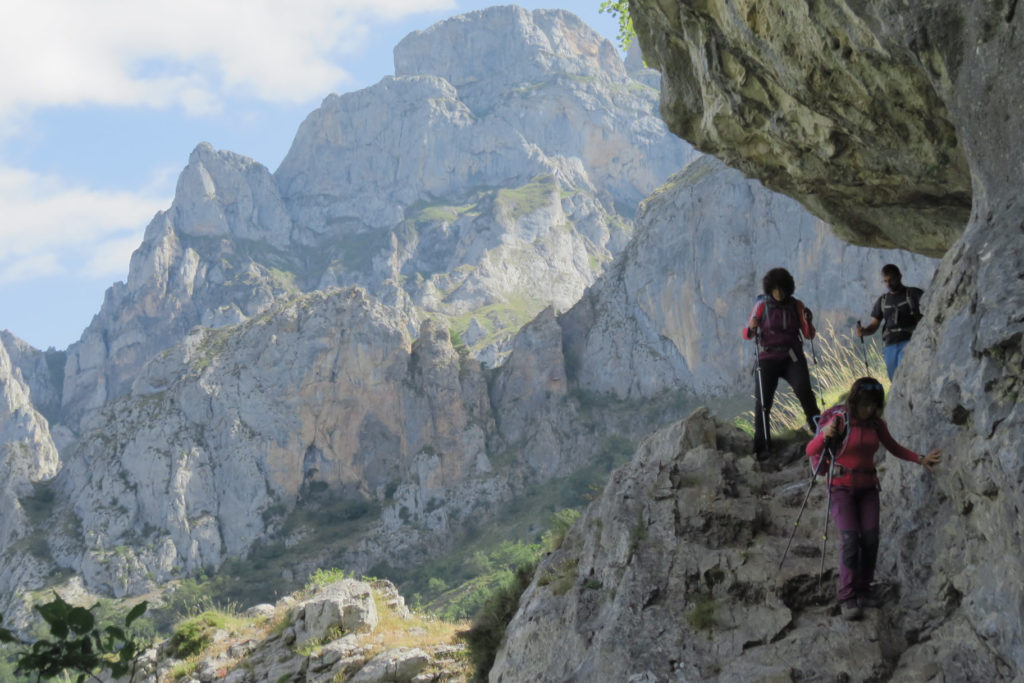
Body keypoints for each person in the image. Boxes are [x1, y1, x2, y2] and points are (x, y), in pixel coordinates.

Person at [806, 377, 942, 621]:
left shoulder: (876, 425)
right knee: (850, 539)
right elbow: (810, 450)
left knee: (870, 540)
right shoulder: (839, 421)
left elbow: (894, 447)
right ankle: (847, 596)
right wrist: (824, 434)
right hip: (840, 489)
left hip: (868, 488)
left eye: (874, 405)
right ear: (856, 401)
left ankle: (864, 589)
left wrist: (920, 458)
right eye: (866, 404)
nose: (869, 409)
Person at [742, 267, 819, 460]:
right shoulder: (761, 306)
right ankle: (762, 447)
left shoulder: (797, 305)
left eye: (783, 289)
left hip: (792, 356)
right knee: (763, 402)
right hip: (768, 357)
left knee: (804, 390)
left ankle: (819, 430)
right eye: (776, 289)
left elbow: (809, 335)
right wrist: (751, 327)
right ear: (770, 289)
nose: (780, 293)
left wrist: (808, 321)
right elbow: (747, 334)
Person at [856, 264, 924, 379]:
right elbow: (874, 325)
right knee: (894, 379)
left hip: (910, 341)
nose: (888, 284)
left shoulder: (914, 294)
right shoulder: (883, 300)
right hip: (890, 345)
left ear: (899, 276)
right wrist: (864, 331)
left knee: (904, 376)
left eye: (891, 280)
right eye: (885, 281)